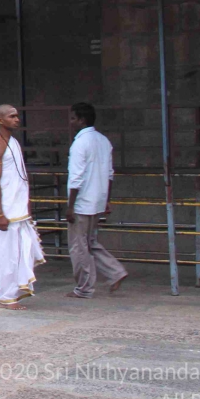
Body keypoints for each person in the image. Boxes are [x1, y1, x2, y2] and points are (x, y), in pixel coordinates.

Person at [0, 103, 45, 310]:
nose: (17, 119)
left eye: (17, 116)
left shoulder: (12, 142)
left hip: (17, 209)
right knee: (9, 255)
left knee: (20, 250)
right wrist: (0, 213)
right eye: (12, 116)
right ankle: (7, 297)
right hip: (5, 210)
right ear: (0, 120)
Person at [66, 101, 127, 299]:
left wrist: (70, 206)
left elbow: (76, 178)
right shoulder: (103, 141)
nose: (71, 122)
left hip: (82, 202)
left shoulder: (80, 143)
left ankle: (84, 288)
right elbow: (109, 174)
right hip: (97, 200)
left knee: (79, 246)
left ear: (81, 120)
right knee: (90, 242)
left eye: (73, 118)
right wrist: (106, 200)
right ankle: (115, 272)